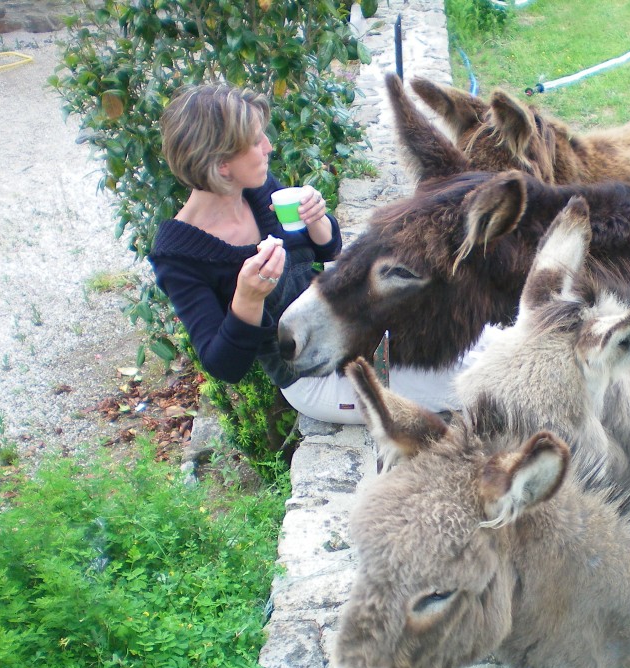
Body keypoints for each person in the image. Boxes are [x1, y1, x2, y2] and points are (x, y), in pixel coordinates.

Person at [149, 82, 488, 426]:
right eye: (255, 141)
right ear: (222, 164)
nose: (268, 146)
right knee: (481, 382)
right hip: (316, 377)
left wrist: (318, 223)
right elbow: (225, 365)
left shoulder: (259, 190)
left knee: (487, 333)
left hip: (356, 329)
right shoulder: (180, 254)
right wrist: (248, 298)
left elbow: (329, 249)